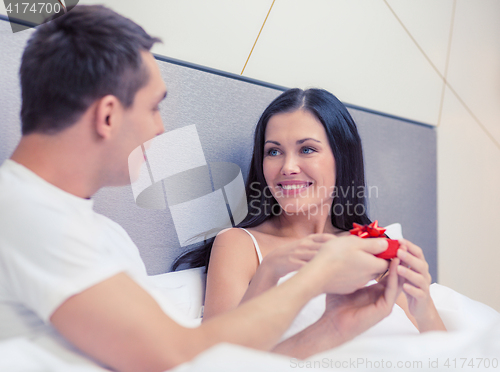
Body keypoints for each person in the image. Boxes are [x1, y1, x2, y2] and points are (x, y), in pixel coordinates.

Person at [0, 5, 403, 372]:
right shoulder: (27, 215)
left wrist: (332, 326)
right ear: (108, 115)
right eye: (155, 106)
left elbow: (198, 358)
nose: (161, 128)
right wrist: (315, 278)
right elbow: (178, 358)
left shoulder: (99, 233)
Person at [187, 88, 446, 335]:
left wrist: (423, 307)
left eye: (307, 149)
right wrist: (269, 272)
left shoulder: (372, 247)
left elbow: (445, 355)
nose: (287, 167)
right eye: (274, 151)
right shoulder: (239, 245)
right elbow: (217, 356)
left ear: (341, 157)